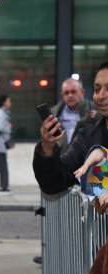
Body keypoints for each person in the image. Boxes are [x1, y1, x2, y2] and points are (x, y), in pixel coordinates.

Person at [33, 62, 108, 197]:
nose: (101, 96)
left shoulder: (90, 114)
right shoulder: (86, 138)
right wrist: (47, 148)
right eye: (97, 90)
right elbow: (54, 182)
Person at [51, 77, 98, 155]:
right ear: (62, 95)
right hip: (62, 159)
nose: (70, 95)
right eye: (66, 93)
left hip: (86, 159)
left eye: (73, 92)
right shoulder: (53, 113)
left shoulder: (95, 109)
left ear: (82, 92)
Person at [0, 94, 13, 192]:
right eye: (9, 101)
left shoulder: (1, 112)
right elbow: (1, 127)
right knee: (3, 166)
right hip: (0, 144)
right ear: (3, 102)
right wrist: (8, 127)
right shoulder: (1, 113)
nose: (10, 103)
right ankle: (4, 185)